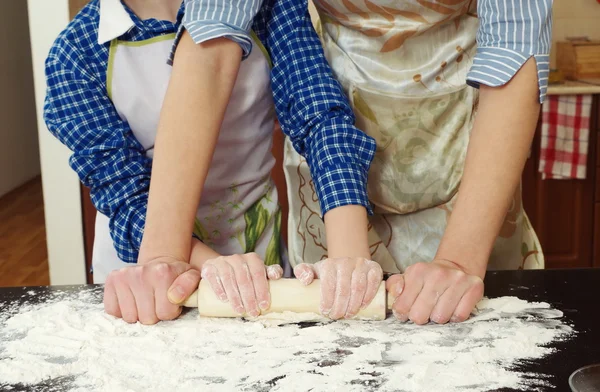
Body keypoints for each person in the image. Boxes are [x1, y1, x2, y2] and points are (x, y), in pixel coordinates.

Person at [162, 0, 551, 325]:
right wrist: (164, 252)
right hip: (331, 162)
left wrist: (458, 259)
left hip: (469, 167)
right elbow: (210, 39)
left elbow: (514, 50)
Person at [43, 0, 288, 324]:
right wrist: (208, 265)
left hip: (256, 262)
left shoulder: (260, 11)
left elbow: (314, 116)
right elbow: (125, 198)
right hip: (146, 286)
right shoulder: (75, 53)